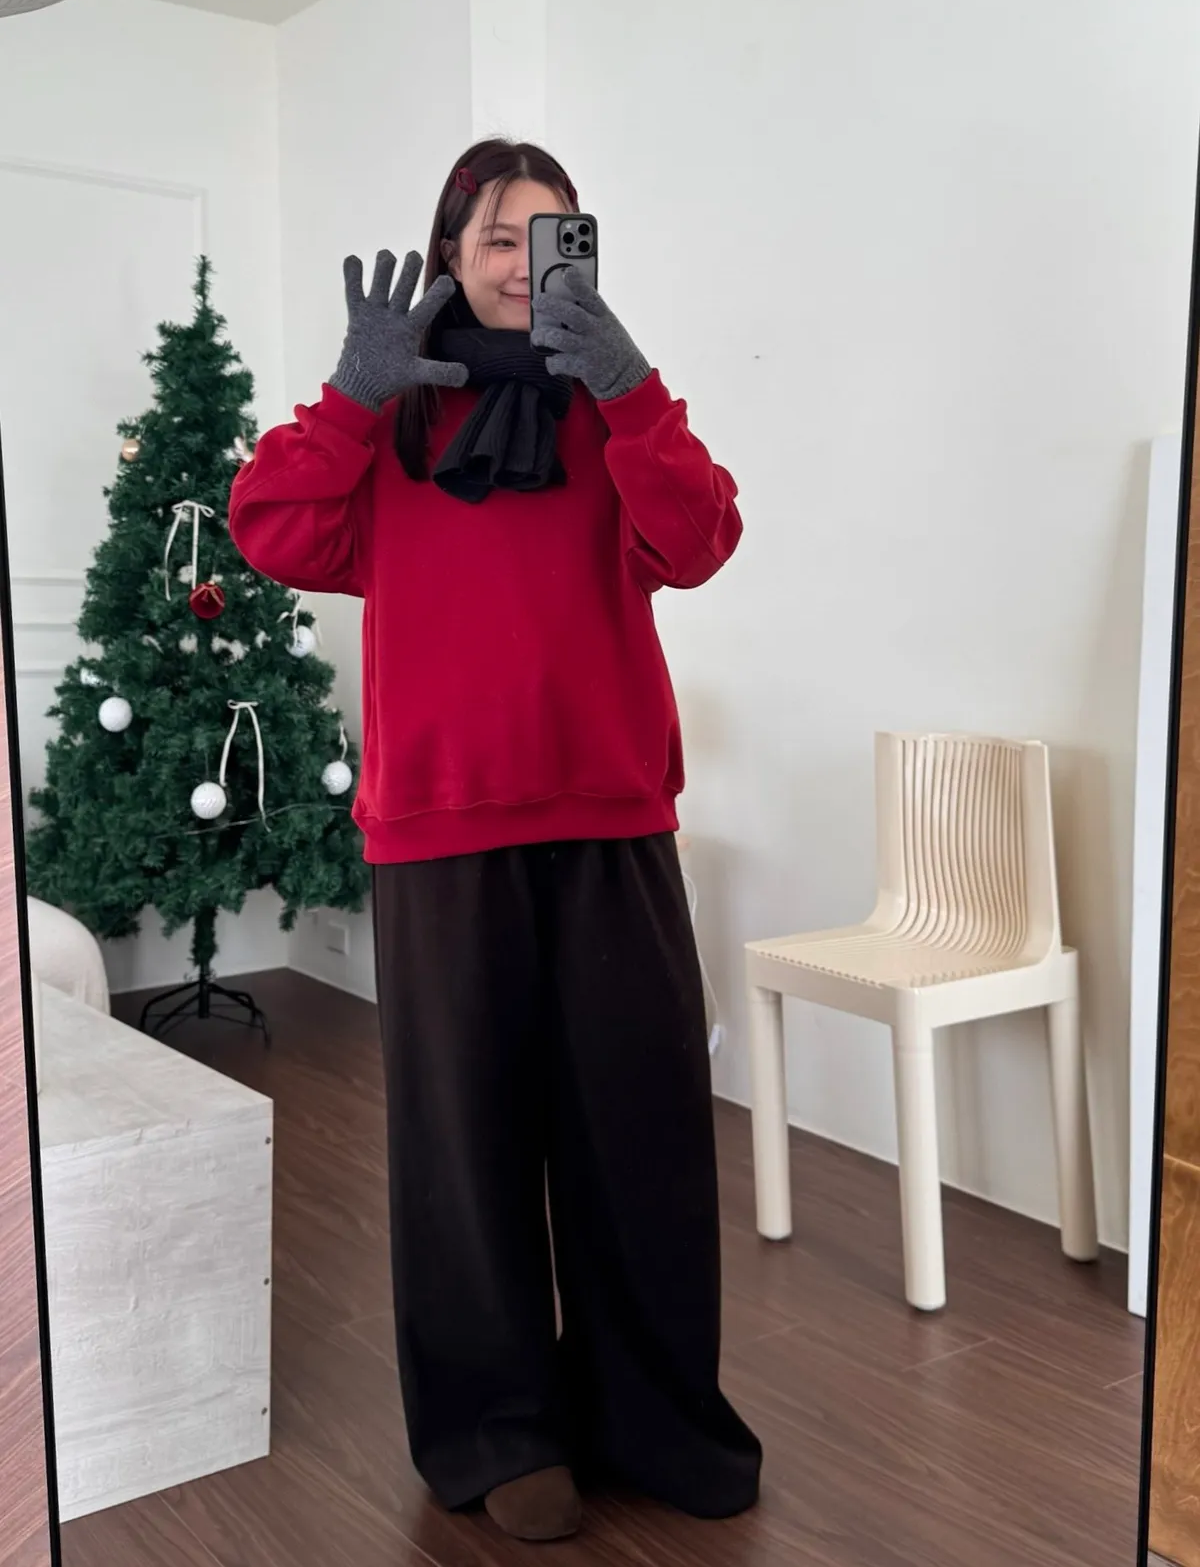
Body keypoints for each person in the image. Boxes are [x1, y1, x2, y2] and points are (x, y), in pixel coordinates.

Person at [228, 137, 762, 1541]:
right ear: (450, 254)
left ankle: (652, 1418)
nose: (527, 267)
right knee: (464, 1153)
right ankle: (497, 1431)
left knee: (640, 1137)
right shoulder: (392, 427)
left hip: (610, 821)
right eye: (501, 239)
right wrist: (351, 396)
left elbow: (702, 539)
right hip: (439, 835)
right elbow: (271, 530)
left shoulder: (613, 412)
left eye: (556, 237)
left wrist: (630, 386)